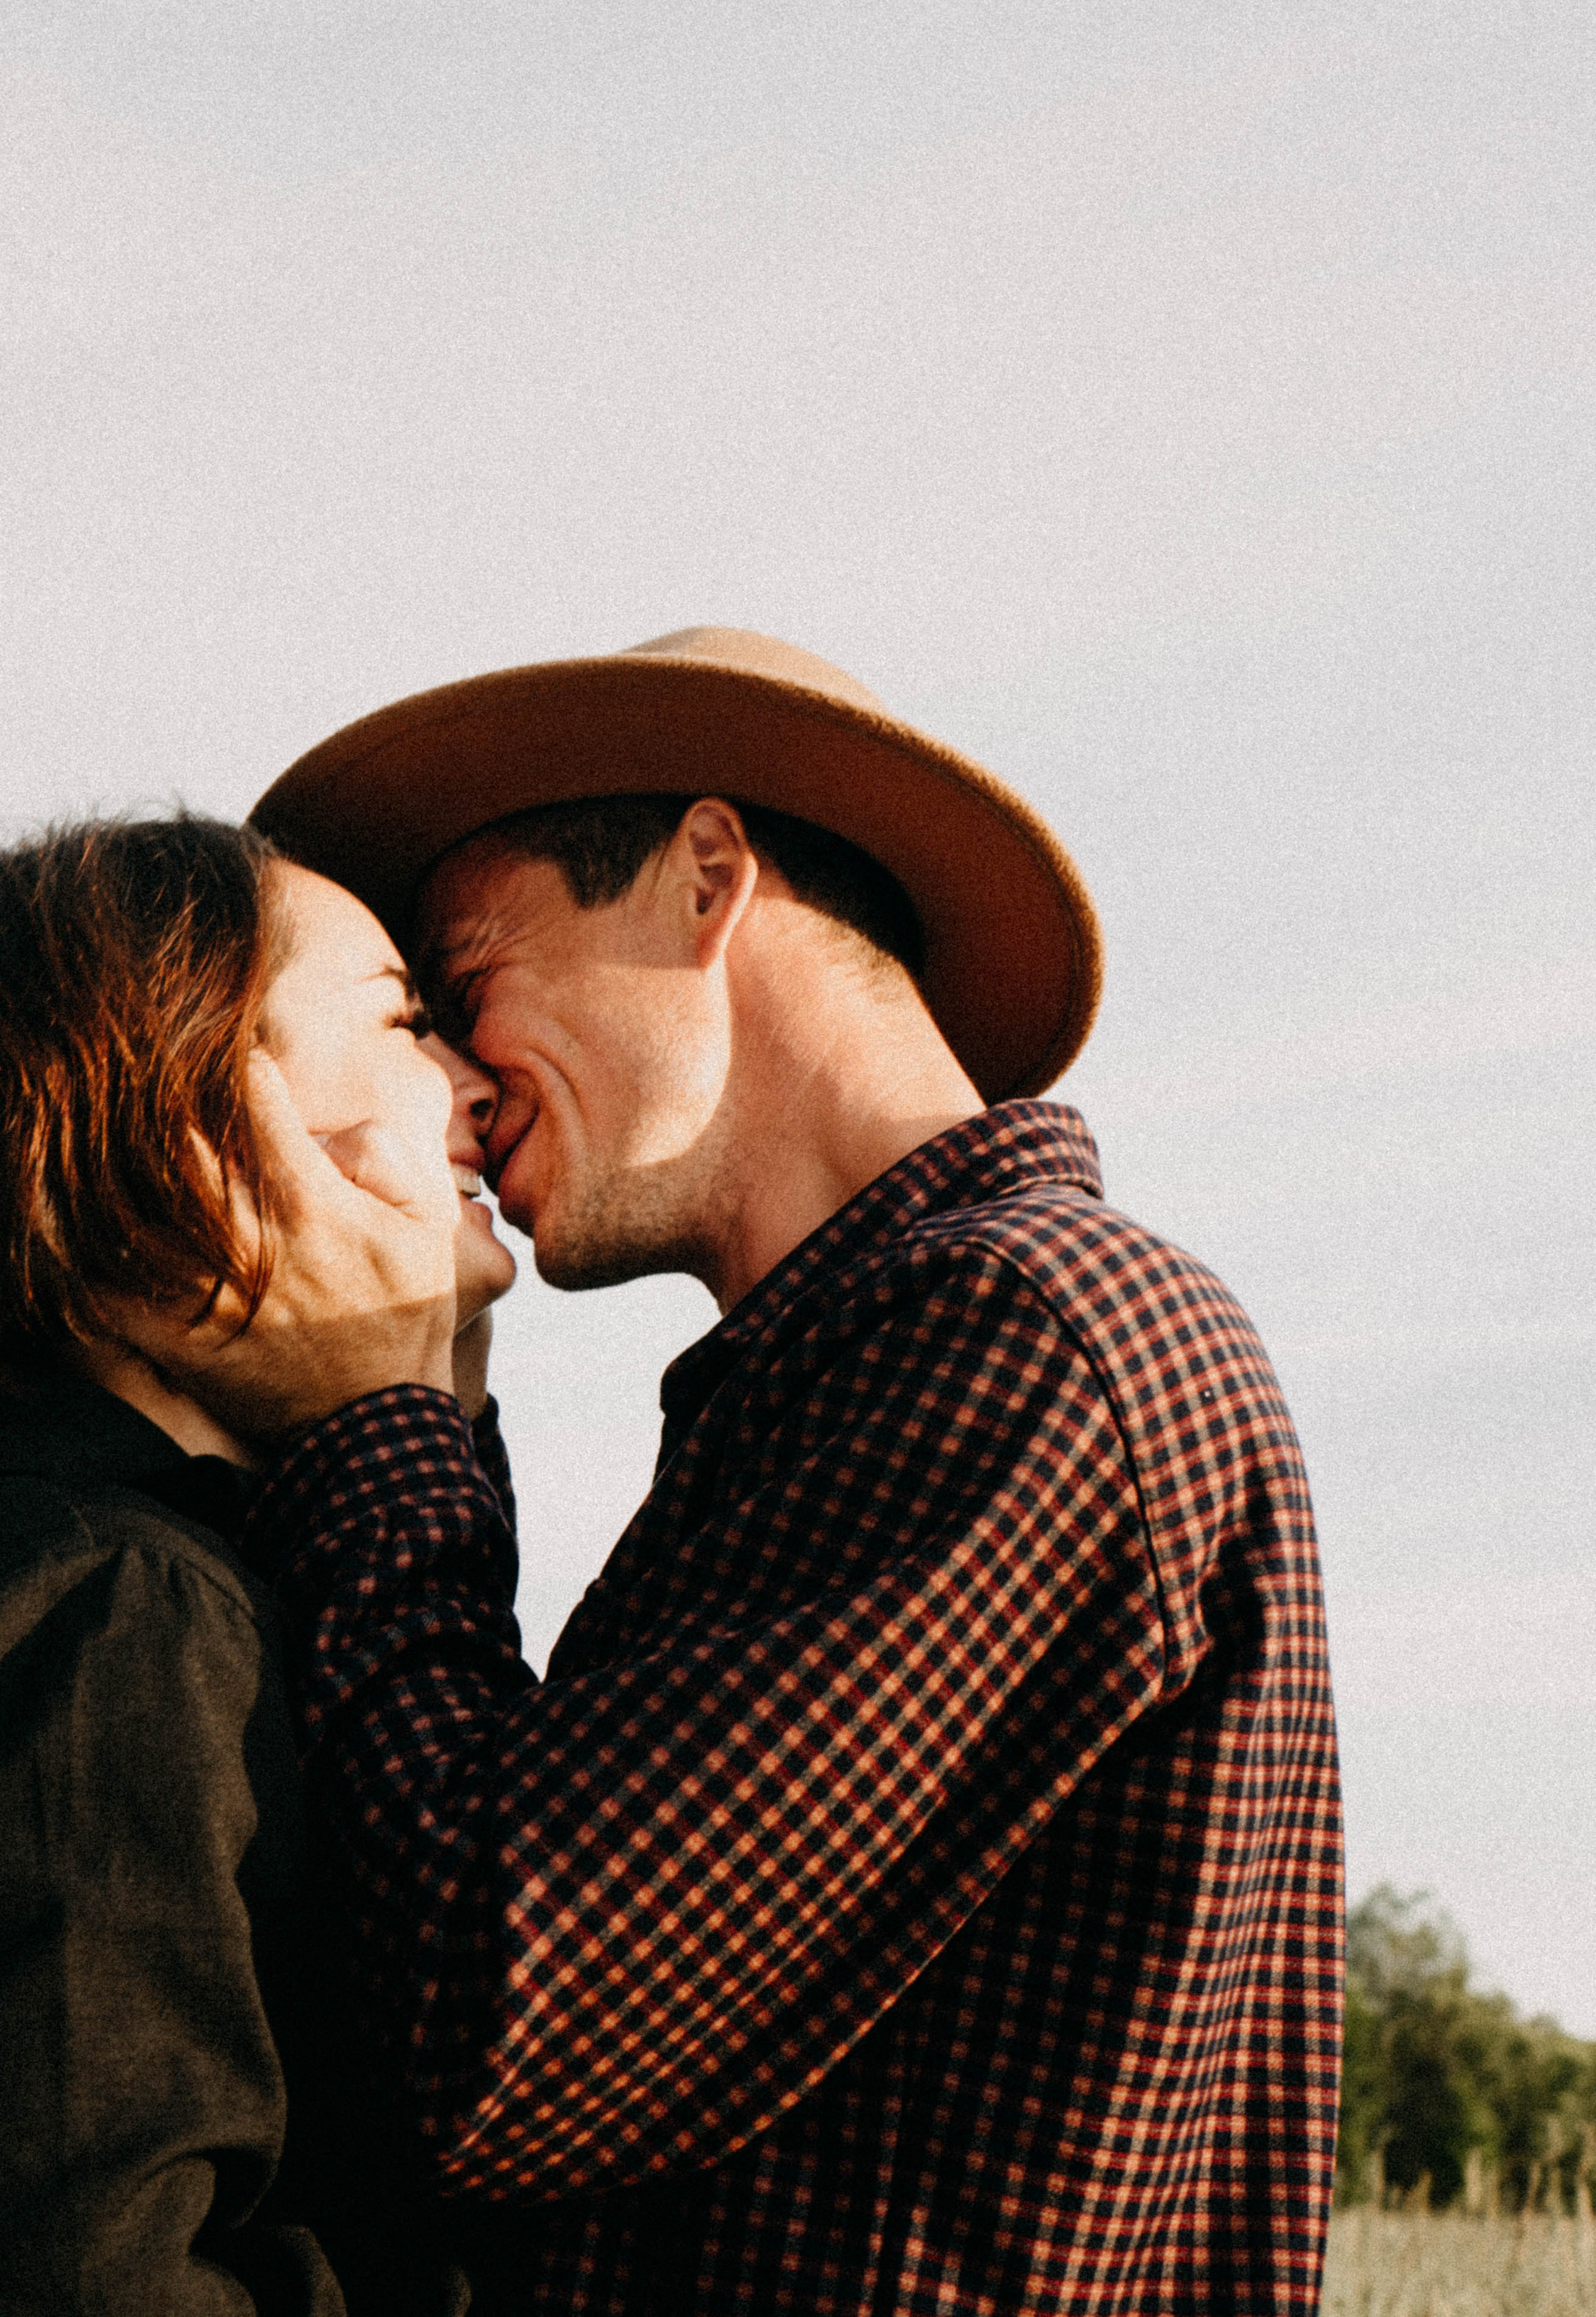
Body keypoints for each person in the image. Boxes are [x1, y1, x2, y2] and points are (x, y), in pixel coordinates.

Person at [151, 627, 1344, 2313]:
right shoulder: (867, 1370)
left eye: (463, 979)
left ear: (706, 877)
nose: (460, 1086)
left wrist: (378, 1428)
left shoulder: (1018, 1331)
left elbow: (509, 2032)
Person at [0, 815, 517, 2316]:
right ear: (197, 1103)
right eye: (405, 1019)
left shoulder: (168, 1573)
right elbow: (100, 2265)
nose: (476, 1081)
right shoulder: (119, 1603)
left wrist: (426, 1417)